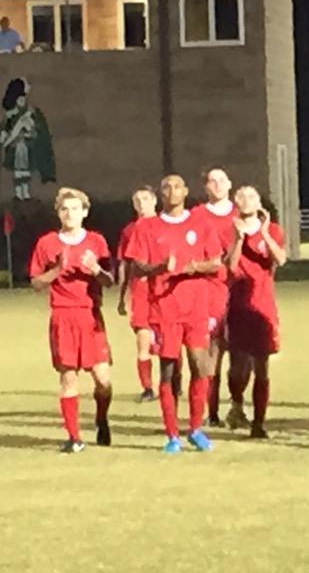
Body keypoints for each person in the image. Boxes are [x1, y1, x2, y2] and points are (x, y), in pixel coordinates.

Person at [124, 174, 222, 452]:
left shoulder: (200, 223)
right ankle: (172, 435)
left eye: (178, 186)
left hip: (196, 307)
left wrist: (193, 268)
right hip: (164, 308)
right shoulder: (148, 227)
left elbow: (215, 261)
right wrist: (160, 267)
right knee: (168, 370)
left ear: (186, 191)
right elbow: (137, 265)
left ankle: (195, 428)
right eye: (166, 186)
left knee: (199, 364)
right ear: (161, 194)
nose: (172, 190)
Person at [29, 187, 115, 453]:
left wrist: (95, 269)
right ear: (58, 212)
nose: (70, 213)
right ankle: (74, 437)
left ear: (85, 212)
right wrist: (56, 270)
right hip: (63, 315)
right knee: (68, 377)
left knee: (103, 379)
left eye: (75, 208)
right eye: (65, 209)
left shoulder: (96, 242)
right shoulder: (47, 243)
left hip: (90, 315)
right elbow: (35, 282)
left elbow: (110, 281)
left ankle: (101, 417)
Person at [225, 185, 287, 438]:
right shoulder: (228, 229)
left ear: (259, 202)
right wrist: (239, 239)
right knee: (238, 366)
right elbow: (230, 266)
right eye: (241, 196)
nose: (246, 200)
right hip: (237, 306)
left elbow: (281, 259)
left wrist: (263, 233)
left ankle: (259, 423)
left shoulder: (272, 230)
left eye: (251, 196)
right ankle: (237, 403)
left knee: (262, 366)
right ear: (235, 201)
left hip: (263, 305)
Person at [190, 167, 236, 428]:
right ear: (206, 187)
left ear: (229, 184)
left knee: (241, 354)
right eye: (212, 181)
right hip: (209, 289)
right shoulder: (197, 215)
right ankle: (212, 411)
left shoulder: (241, 212)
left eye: (221, 179)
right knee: (211, 350)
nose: (217, 185)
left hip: (241, 288)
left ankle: (238, 405)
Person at [117, 185, 159, 402]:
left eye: (145, 198)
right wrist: (122, 295)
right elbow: (125, 263)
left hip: (164, 291)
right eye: (137, 200)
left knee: (169, 341)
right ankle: (148, 388)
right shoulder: (129, 230)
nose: (141, 203)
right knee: (143, 338)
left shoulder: (165, 225)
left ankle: (174, 384)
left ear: (154, 201)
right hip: (140, 291)